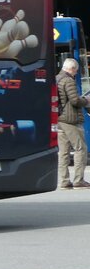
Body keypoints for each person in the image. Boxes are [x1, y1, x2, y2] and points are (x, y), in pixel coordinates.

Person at [56, 56, 89, 189]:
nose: (75, 73)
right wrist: (86, 100)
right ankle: (78, 181)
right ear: (72, 69)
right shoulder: (68, 80)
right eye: (75, 71)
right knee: (81, 149)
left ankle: (64, 181)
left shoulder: (57, 78)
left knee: (63, 152)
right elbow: (75, 100)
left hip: (59, 119)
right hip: (70, 120)